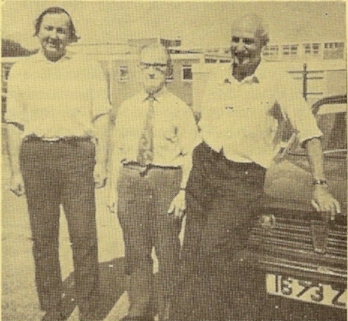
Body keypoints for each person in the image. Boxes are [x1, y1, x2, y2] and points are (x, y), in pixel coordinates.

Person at [170, 13, 341, 321]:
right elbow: (202, 134)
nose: (239, 47)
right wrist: (186, 184)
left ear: (264, 44)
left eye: (248, 41)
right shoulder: (217, 78)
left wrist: (320, 184)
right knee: (190, 257)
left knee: (213, 256)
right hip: (205, 171)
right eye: (235, 40)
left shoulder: (278, 81)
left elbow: (310, 133)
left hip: (242, 180)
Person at [6, 7, 111, 321]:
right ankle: (52, 307)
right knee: (43, 237)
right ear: (37, 32)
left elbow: (102, 117)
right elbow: (13, 123)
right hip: (36, 156)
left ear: (70, 35)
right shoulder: (22, 70)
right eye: (48, 29)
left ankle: (89, 309)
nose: (54, 36)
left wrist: (101, 162)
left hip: (77, 155)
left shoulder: (89, 68)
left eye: (61, 31)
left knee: (83, 236)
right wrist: (15, 171)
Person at [108, 43, 200, 321]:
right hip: (130, 180)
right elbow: (117, 152)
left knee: (167, 249)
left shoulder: (180, 109)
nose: (152, 71)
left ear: (169, 71)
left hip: (166, 181)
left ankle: (168, 309)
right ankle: (140, 307)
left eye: (158, 66)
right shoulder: (127, 107)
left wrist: (183, 192)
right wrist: (113, 189)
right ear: (138, 69)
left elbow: (191, 155)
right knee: (135, 250)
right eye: (146, 65)